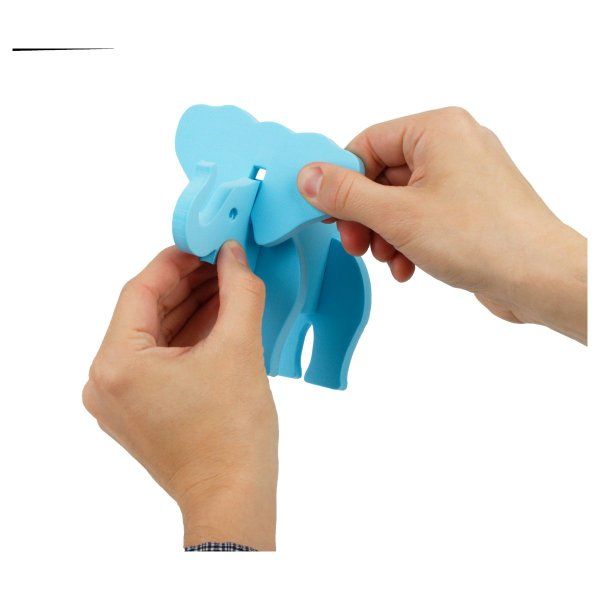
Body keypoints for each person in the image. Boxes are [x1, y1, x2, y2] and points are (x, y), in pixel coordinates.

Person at [82, 107, 587, 551]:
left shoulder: (309, 248)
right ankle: (284, 361)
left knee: (317, 313)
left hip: (328, 272)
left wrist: (216, 483)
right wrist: (545, 272)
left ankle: (321, 366)